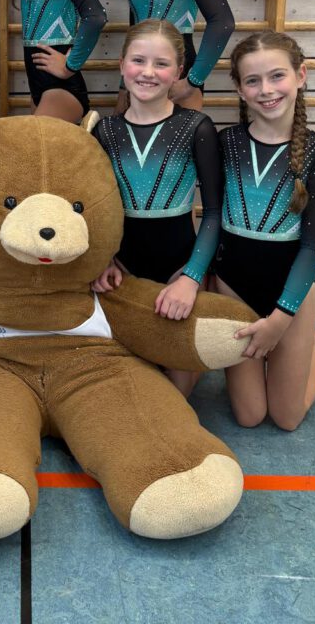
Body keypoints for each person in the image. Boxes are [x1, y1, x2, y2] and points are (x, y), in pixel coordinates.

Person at [213, 31, 315, 430]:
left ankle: (314, 346)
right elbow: (212, 216)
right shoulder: (225, 143)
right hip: (233, 289)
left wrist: (281, 319)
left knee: (286, 418)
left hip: (290, 296)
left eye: (277, 76)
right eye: (253, 80)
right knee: (250, 416)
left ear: (301, 75)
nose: (266, 90)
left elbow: (313, 247)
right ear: (239, 88)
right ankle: (276, 355)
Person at [92, 20, 222, 394]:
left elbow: (215, 213)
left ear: (179, 71)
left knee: (175, 394)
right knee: (125, 387)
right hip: (123, 267)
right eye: (138, 60)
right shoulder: (105, 131)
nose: (148, 72)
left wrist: (191, 278)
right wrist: (104, 260)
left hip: (178, 266)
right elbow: (97, 207)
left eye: (161, 64)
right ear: (122, 65)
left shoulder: (196, 127)